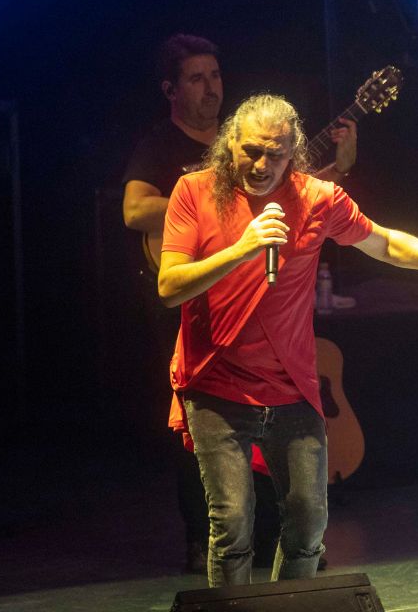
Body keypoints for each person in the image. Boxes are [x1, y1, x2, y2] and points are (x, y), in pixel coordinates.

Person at [159, 93, 418, 586]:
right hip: (216, 383)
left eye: (275, 154)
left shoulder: (317, 198)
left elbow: (384, 242)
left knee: (307, 522)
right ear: (229, 144)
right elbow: (170, 287)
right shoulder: (194, 191)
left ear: (293, 151)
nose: (261, 165)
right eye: (251, 151)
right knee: (232, 526)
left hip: (291, 385)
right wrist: (243, 249)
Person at [122, 34, 357, 573]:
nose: (210, 87)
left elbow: (305, 200)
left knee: (301, 507)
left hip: (274, 336)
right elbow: (134, 211)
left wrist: (333, 171)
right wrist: (208, 215)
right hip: (205, 308)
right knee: (224, 501)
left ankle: (290, 584)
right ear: (171, 89)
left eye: (216, 75)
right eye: (196, 77)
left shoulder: (268, 153)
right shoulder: (165, 148)